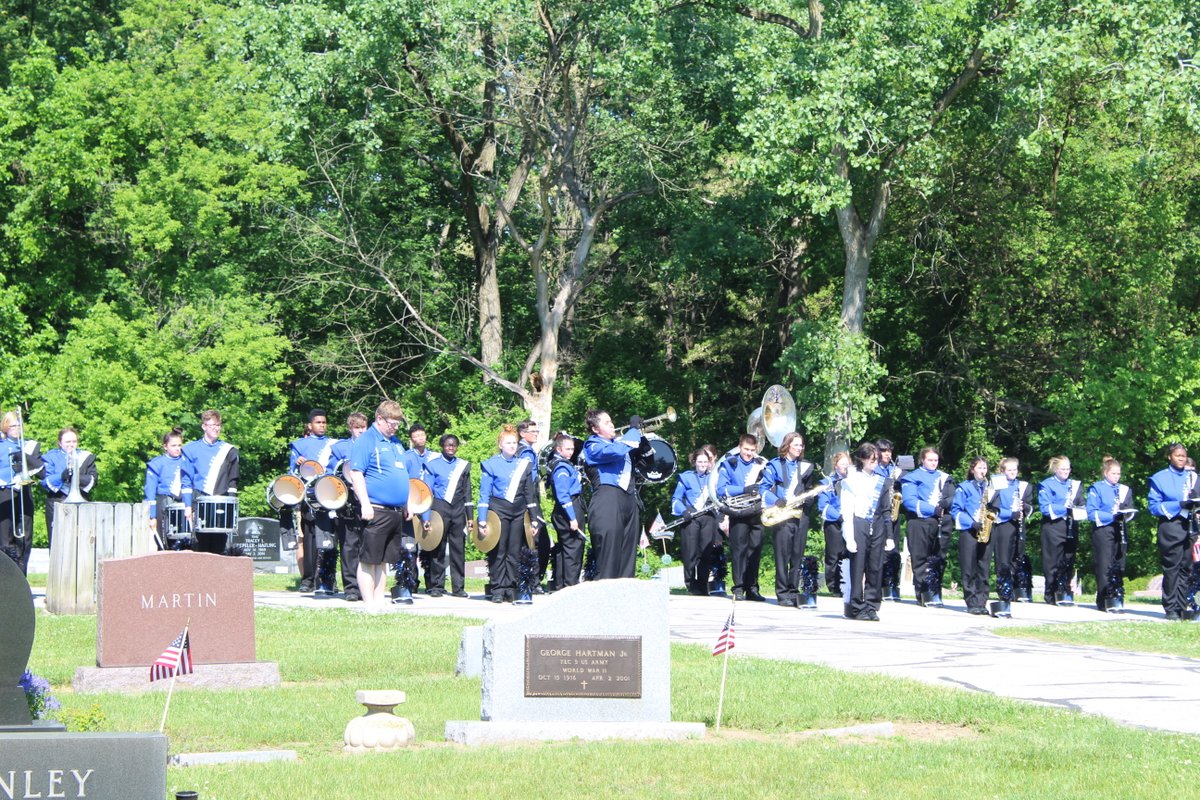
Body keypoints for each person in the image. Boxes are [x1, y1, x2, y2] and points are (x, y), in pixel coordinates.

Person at [346, 401, 411, 613]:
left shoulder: (396, 443)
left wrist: (407, 503)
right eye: (392, 424)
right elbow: (356, 473)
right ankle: (369, 604)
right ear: (380, 419)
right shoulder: (367, 440)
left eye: (398, 425)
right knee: (369, 559)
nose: (395, 428)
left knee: (383, 560)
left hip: (395, 511)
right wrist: (365, 504)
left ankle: (380, 601)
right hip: (375, 509)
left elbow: (402, 474)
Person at [582, 410, 648, 580]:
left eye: (611, 421)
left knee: (628, 555)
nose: (612, 425)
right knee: (609, 556)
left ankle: (625, 593)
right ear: (595, 429)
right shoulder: (592, 445)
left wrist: (644, 446)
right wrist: (633, 430)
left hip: (629, 498)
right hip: (608, 498)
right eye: (606, 422)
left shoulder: (622, 443)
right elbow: (616, 452)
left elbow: (647, 464)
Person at [477, 424, 540, 603]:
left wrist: (534, 519)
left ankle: (511, 587)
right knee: (498, 551)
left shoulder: (524, 465)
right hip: (498, 512)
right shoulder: (491, 464)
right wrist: (482, 520)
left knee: (514, 551)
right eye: (508, 443)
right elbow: (484, 494)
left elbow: (529, 494)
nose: (512, 446)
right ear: (500, 445)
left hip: (518, 512)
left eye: (514, 443)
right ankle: (497, 588)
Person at [760, 431, 816, 607]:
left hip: (801, 514)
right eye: (796, 445)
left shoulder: (806, 466)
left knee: (797, 555)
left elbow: (809, 488)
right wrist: (775, 500)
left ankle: (793, 591)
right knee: (782, 555)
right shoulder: (774, 465)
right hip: (783, 514)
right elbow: (763, 489)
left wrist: (810, 498)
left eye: (801, 445)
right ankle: (782, 593)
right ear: (787, 445)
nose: (800, 448)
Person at [1147, 443, 1200, 620]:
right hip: (1171, 527)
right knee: (1172, 568)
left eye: (1183, 456)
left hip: (1190, 526)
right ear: (1170, 457)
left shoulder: (1193, 477)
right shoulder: (1159, 478)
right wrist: (1178, 505)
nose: (1181, 459)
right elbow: (1154, 507)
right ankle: (1170, 608)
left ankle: (1181, 606)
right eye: (1177, 456)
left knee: (1186, 568)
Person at [716, 433, 769, 601]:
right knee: (739, 551)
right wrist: (744, 490)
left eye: (752, 450)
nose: (749, 453)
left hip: (757, 512)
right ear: (739, 447)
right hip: (738, 512)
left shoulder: (761, 464)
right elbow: (721, 489)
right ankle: (738, 587)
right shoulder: (729, 464)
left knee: (755, 551)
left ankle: (752, 588)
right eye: (746, 449)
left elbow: (770, 486)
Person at [289, 409, 337, 594]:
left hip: (329, 497)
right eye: (318, 422)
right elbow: (291, 472)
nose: (322, 425)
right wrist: (297, 465)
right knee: (309, 539)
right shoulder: (299, 445)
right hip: (308, 498)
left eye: (324, 422)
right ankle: (308, 579)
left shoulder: (334, 444)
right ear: (310, 425)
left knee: (329, 537)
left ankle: (328, 578)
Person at [900, 447, 953, 606]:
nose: (933, 463)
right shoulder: (912, 477)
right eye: (930, 460)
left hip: (941, 522)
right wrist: (932, 509)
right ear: (922, 460)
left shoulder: (944, 477)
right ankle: (924, 594)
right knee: (920, 558)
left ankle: (935, 592)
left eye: (935, 460)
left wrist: (946, 503)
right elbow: (909, 501)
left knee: (939, 558)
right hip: (920, 522)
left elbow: (953, 497)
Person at [182, 410, 239, 554]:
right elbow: (186, 480)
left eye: (218, 425)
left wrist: (231, 506)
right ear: (204, 426)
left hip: (221, 502)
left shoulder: (229, 450)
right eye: (212, 425)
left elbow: (233, 482)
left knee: (219, 547)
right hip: (199, 500)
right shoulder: (190, 449)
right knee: (200, 546)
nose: (216, 428)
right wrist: (188, 506)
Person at [840, 442, 886, 621]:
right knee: (858, 566)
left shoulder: (880, 479)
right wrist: (849, 536)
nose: (875, 462)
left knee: (875, 566)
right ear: (862, 459)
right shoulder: (851, 479)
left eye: (876, 459)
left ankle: (872, 605)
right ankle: (857, 605)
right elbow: (847, 509)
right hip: (859, 523)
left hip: (877, 523)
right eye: (871, 459)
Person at [424, 433, 472, 597]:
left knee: (458, 550)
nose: (451, 448)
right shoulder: (432, 465)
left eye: (454, 445)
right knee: (438, 548)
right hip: (439, 508)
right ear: (442, 446)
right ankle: (437, 586)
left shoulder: (463, 466)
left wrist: (470, 517)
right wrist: (426, 517)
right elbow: (428, 492)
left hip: (458, 510)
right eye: (448, 445)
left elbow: (467, 493)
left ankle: (458, 588)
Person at [327, 412, 368, 601]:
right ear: (350, 428)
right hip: (347, 500)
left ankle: (366, 586)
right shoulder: (340, 447)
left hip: (369, 498)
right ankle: (351, 588)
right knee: (349, 544)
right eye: (357, 427)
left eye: (363, 427)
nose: (361, 431)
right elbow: (330, 474)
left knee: (367, 544)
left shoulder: (373, 445)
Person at [1087, 456, 1135, 613]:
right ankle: (1104, 599)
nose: (1116, 477)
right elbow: (1091, 513)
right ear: (1105, 473)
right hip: (1103, 529)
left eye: (1118, 474)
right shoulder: (1097, 488)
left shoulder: (1124, 489)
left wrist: (1124, 513)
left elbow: (1130, 511)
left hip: (1120, 529)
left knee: (1119, 563)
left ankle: (1117, 596)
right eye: (1113, 473)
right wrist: (1111, 515)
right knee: (1105, 564)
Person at [986, 457, 1033, 616]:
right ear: (1003, 471)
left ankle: (1016, 588)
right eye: (1009, 470)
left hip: (1018, 524)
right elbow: (992, 506)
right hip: (1003, 524)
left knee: (1017, 555)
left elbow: (1030, 506)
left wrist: (1024, 508)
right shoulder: (997, 483)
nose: (1013, 472)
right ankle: (1004, 590)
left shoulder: (1023, 485)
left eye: (1015, 469)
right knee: (1003, 558)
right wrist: (1010, 513)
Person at [671, 448, 720, 596]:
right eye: (700, 461)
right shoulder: (686, 477)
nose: (703, 464)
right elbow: (676, 499)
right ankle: (691, 585)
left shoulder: (714, 478)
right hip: (691, 517)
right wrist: (683, 511)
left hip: (708, 517)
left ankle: (703, 586)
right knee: (690, 552)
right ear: (694, 462)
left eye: (705, 461)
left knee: (705, 552)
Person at [0, 411, 44, 573]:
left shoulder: (30, 445)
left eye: (19, 425)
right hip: (4, 493)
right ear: (5, 427)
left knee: (25, 537)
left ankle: (21, 576)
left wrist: (24, 456)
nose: (16, 428)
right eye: (12, 425)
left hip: (24, 493)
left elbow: (41, 471)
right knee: (5, 538)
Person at [1039, 455, 1085, 605]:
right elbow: (1045, 508)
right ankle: (1050, 594)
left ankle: (1064, 591)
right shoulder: (1047, 484)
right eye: (1062, 469)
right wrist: (1065, 507)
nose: (1066, 472)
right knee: (1052, 562)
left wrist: (1078, 510)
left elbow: (1081, 504)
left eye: (1068, 469)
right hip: (1053, 527)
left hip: (1071, 526)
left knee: (1068, 560)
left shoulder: (1075, 485)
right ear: (1055, 469)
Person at [40, 427, 98, 548]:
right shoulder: (50, 457)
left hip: (81, 501)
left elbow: (93, 479)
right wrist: (62, 476)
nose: (71, 444)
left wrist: (76, 477)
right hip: (57, 501)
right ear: (60, 443)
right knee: (57, 541)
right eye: (67, 442)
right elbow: (45, 481)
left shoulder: (86, 456)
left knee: (81, 540)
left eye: (74, 441)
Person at [547, 432, 586, 590]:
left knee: (565, 548)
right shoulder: (561, 467)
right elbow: (563, 495)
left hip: (569, 507)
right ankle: (570, 585)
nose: (571, 452)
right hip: (569, 508)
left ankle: (560, 584)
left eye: (572, 449)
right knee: (573, 548)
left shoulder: (562, 463)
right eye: (567, 449)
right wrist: (572, 518)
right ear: (558, 449)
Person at [952, 456, 991, 615]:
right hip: (969, 530)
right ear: (972, 469)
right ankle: (971, 601)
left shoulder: (990, 487)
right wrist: (971, 523)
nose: (983, 471)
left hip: (986, 530)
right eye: (979, 468)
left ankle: (982, 602)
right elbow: (956, 510)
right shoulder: (964, 487)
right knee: (968, 568)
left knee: (984, 568)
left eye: (984, 468)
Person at [517, 419, 552, 590]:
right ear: (522, 433)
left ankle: (527, 580)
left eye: (537, 431)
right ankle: (534, 581)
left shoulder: (521, 450)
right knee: (539, 541)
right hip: (529, 500)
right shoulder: (526, 452)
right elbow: (528, 481)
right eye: (533, 431)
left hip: (522, 500)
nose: (536, 434)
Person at [143, 428, 192, 548]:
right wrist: (152, 516)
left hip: (183, 505)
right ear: (165, 446)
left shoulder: (187, 462)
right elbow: (150, 491)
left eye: (179, 445)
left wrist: (189, 505)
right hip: (164, 504)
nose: (177, 448)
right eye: (173, 445)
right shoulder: (156, 463)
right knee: (165, 544)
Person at [875, 440, 905, 602]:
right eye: (884, 450)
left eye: (889, 451)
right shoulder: (874, 469)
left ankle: (891, 584)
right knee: (878, 550)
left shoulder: (894, 470)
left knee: (893, 551)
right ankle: (878, 584)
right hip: (878, 514)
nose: (887, 454)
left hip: (893, 514)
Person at [819, 451, 850, 595]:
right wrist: (839, 516)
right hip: (834, 522)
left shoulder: (854, 481)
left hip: (851, 522)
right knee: (834, 555)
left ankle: (847, 584)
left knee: (848, 554)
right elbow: (823, 505)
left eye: (847, 463)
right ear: (835, 465)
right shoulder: (828, 482)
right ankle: (834, 586)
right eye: (842, 463)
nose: (845, 466)